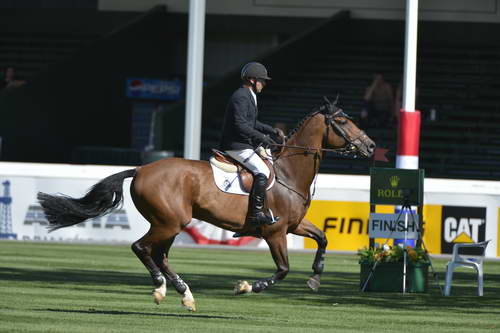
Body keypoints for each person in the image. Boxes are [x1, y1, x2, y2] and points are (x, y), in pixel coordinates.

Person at [219, 62, 282, 227]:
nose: (264, 84)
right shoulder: (240, 96)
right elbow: (241, 125)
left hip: (243, 144)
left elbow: (253, 122)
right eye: (262, 80)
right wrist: (262, 137)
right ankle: (255, 215)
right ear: (253, 80)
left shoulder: (249, 96)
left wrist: (272, 131)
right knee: (262, 170)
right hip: (235, 145)